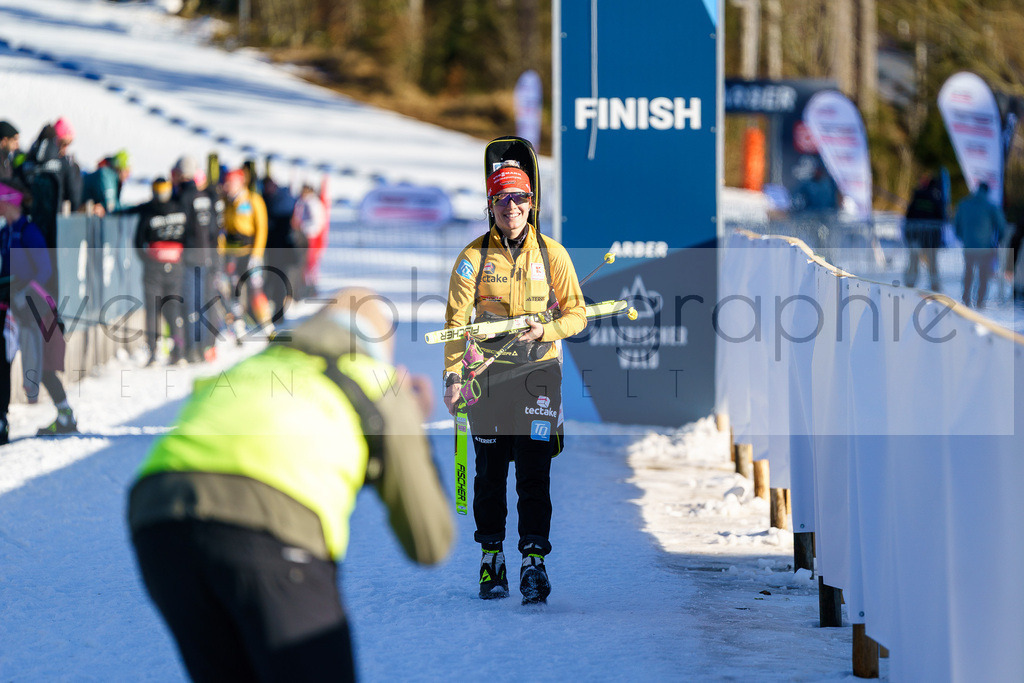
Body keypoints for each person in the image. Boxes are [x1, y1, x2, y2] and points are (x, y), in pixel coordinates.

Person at [127, 288, 453, 682]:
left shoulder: (255, 365)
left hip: (157, 517)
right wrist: (409, 421)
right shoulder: (378, 381)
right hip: (269, 532)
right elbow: (429, 542)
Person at [442, 156, 586, 604]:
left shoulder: (552, 254)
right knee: (488, 474)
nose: (512, 206)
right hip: (487, 375)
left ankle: (533, 561)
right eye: (502, 198)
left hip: (539, 375)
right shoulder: (472, 258)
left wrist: (548, 329)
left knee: (532, 472)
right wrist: (452, 377)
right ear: (491, 205)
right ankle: (491, 558)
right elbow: (454, 322)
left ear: (531, 202)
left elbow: (577, 314)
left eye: (519, 197)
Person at [0, 179, 78, 436]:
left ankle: (66, 417)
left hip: (37, 309)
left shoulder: (28, 231)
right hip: (12, 310)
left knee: (45, 367)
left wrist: (25, 293)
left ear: (9, 200)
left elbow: (44, 269)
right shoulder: (5, 232)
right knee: (5, 362)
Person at [135, 178, 188, 364]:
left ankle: (156, 352)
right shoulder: (180, 208)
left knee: (154, 310)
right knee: (172, 308)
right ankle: (177, 350)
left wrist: (149, 259)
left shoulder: (149, 212)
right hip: (173, 265)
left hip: (157, 267)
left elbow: (137, 241)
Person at [172, 156, 219, 363]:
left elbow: (179, 228)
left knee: (192, 303)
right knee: (204, 302)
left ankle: (194, 348)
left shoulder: (184, 197)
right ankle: (205, 346)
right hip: (207, 255)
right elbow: (213, 228)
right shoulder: (205, 196)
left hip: (190, 257)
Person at [220, 168, 272, 332]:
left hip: (250, 252)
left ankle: (266, 323)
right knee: (234, 289)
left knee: (255, 288)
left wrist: (257, 254)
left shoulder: (252, 199)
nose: (228, 186)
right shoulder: (226, 202)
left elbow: (261, 228)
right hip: (232, 253)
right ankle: (238, 323)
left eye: (231, 182)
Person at [22, 118, 83, 251]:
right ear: (58, 141)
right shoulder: (66, 165)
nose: (67, 148)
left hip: (26, 229)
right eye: (67, 143)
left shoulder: (28, 159)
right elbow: (74, 197)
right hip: (56, 230)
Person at [954, 181, 1006, 308]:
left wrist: (964, 239)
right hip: (985, 247)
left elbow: (956, 226)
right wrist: (997, 240)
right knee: (983, 275)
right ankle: (980, 301)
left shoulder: (964, 204)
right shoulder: (991, 206)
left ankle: (966, 298)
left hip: (969, 246)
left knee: (968, 272)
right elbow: (1001, 226)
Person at [262, 176, 299, 321]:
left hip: (280, 249)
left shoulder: (280, 202)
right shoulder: (269, 200)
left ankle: (278, 313)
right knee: (272, 280)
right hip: (271, 248)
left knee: (278, 280)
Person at [903, 173, 945, 291]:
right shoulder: (936, 198)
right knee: (931, 264)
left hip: (915, 237)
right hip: (930, 239)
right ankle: (935, 287)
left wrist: (909, 236)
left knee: (914, 262)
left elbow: (908, 217)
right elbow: (941, 218)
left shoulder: (917, 196)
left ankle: (909, 286)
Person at [292, 182, 326, 299]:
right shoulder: (301, 202)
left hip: (311, 237)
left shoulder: (313, 203)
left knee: (310, 264)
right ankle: (303, 286)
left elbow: (318, 222)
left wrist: (303, 227)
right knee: (302, 264)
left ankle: (311, 287)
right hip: (301, 237)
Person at [82, 149, 130, 217]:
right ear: (120, 169)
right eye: (127, 171)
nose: (128, 175)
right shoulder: (106, 175)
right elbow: (110, 206)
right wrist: (135, 208)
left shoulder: (112, 177)